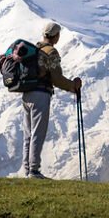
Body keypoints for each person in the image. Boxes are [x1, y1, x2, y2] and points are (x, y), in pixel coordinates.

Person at [21, 22, 82, 179]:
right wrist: (72, 86)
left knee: (28, 133)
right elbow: (56, 78)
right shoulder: (51, 52)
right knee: (38, 132)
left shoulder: (34, 49)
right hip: (40, 94)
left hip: (26, 94)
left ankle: (27, 170)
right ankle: (34, 171)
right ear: (56, 36)